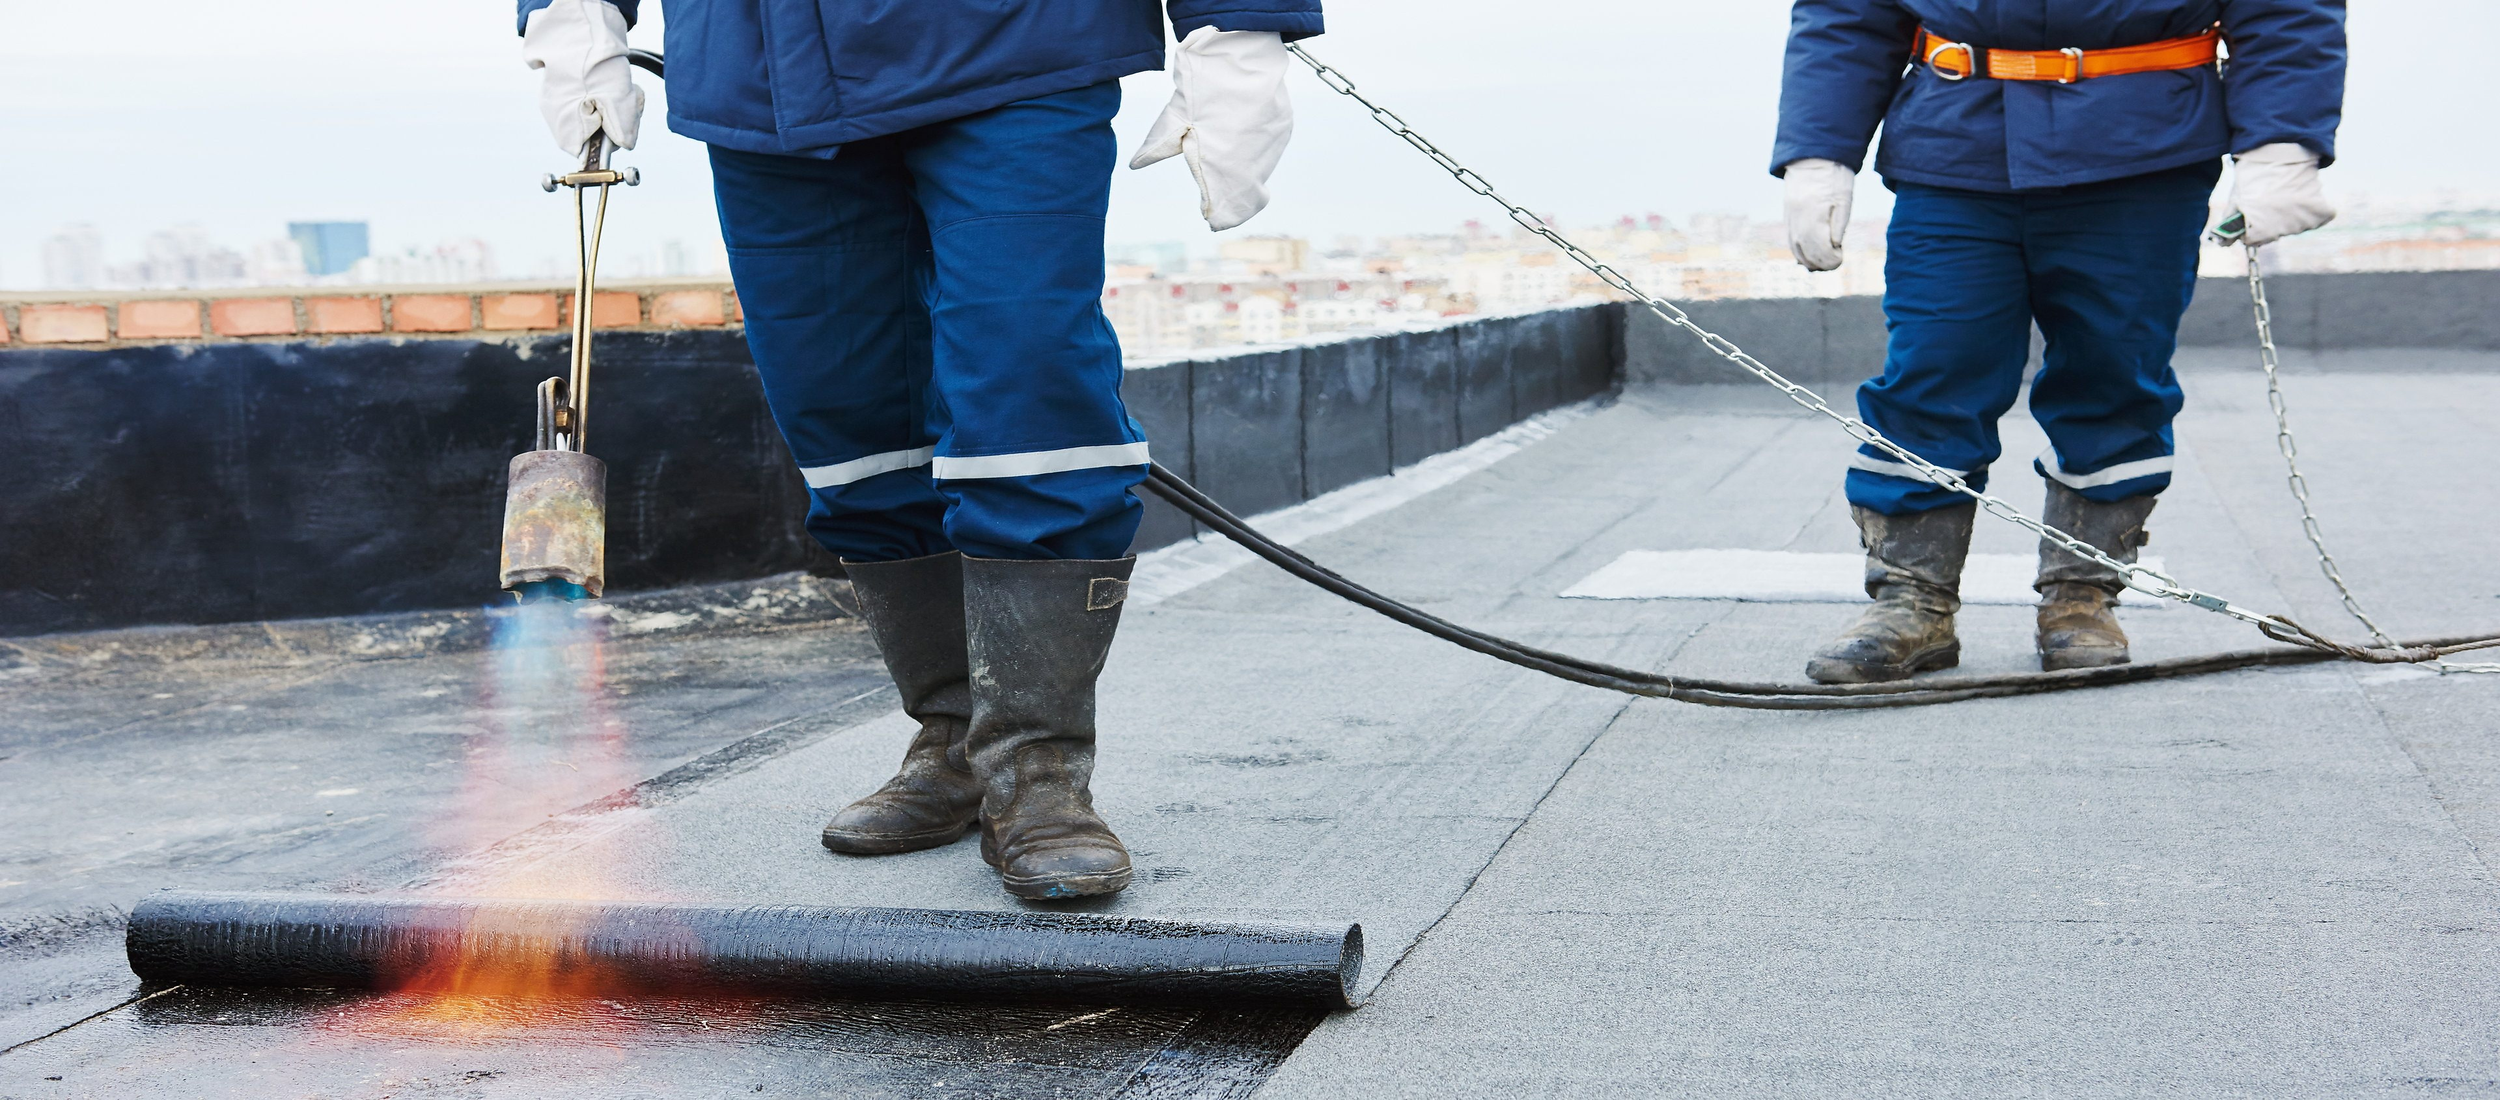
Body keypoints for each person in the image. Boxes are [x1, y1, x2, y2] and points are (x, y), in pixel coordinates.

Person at [518, 0, 1322, 898]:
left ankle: (1037, 771)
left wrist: (1239, 26)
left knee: (1030, 394)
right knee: (847, 419)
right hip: (763, 77)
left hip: (1012, 46)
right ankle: (956, 740)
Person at [1771, 0, 2344, 683]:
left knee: (2113, 377)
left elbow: (2285, 10)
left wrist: (2283, 140)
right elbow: (1847, 13)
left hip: (2141, 153)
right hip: (1957, 149)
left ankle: (2081, 596)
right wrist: (1819, 152)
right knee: (1932, 369)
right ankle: (1911, 601)